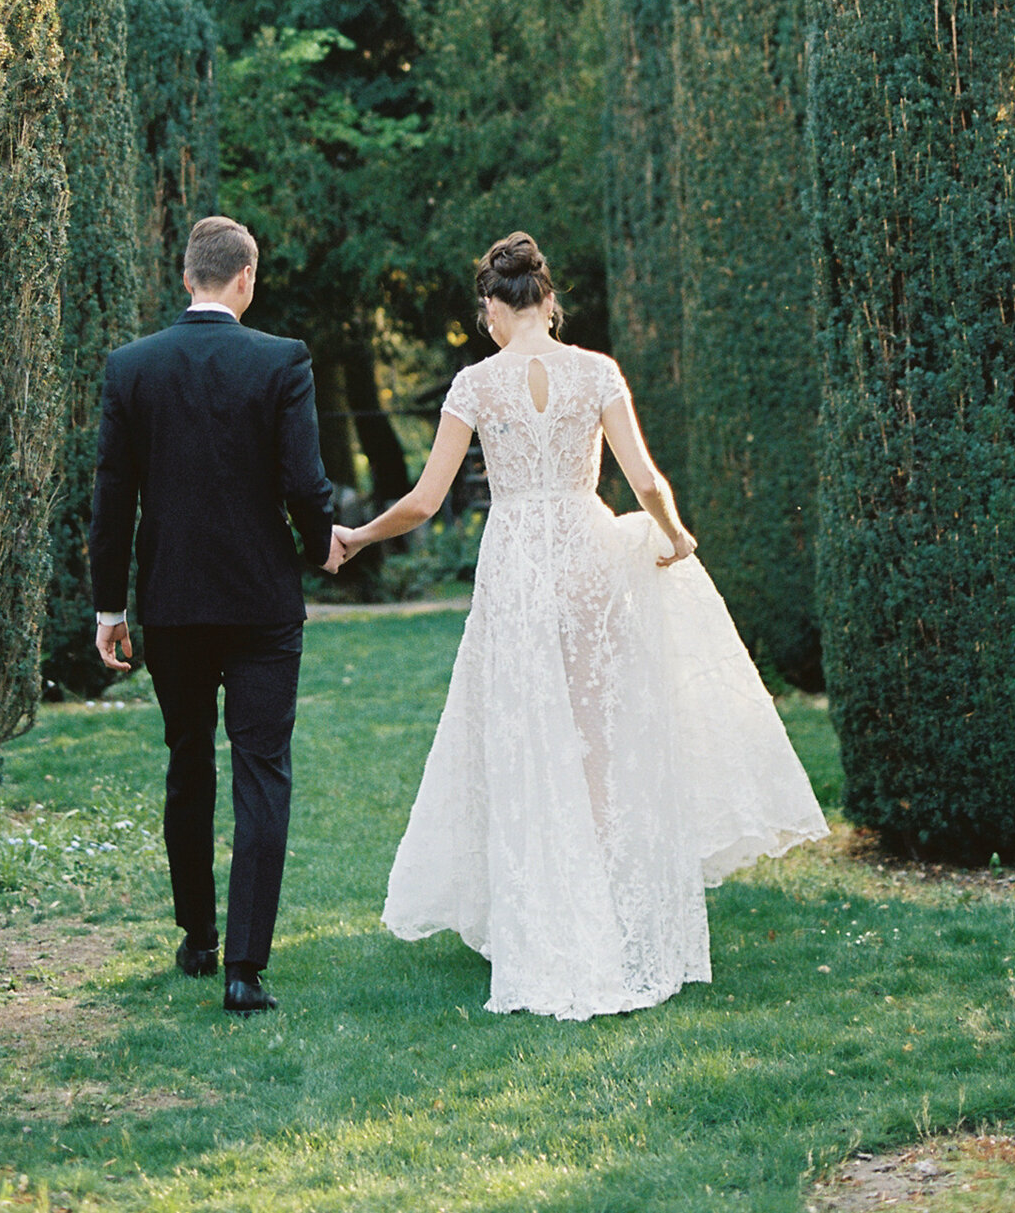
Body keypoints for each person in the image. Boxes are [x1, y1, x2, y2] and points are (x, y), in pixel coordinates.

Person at [333, 230, 827, 1020]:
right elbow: (645, 478)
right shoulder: (595, 371)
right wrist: (675, 535)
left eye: (485, 311)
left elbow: (426, 500)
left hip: (518, 566)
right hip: (588, 552)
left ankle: (552, 919)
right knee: (599, 737)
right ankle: (609, 907)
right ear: (547, 300)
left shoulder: (475, 383)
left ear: (497, 305)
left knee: (526, 734)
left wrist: (357, 536)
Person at [88, 215, 344, 1014]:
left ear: (187, 276)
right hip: (263, 603)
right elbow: (304, 483)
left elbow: (110, 502)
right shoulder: (281, 360)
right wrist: (320, 545)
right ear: (245, 278)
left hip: (174, 602)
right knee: (261, 768)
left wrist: (109, 606)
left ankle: (197, 937)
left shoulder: (132, 367)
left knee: (188, 758)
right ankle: (245, 969)